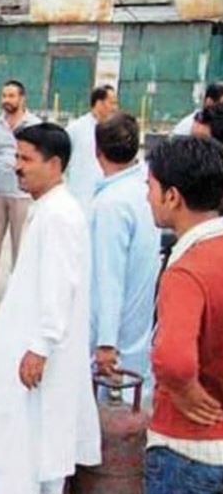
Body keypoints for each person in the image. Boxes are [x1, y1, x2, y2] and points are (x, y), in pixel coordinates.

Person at [0, 123, 100, 494]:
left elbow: (58, 287)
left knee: (16, 440)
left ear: (55, 164)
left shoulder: (57, 215)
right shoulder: (55, 208)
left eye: (26, 159)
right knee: (47, 432)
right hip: (47, 346)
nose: (16, 167)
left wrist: (40, 347)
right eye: (15, 157)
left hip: (37, 347)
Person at [143, 136, 223, 494]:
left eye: (151, 187)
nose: (148, 196)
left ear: (172, 196)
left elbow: (173, 359)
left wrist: (185, 389)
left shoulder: (188, 269)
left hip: (189, 446)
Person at [90, 113, 159, 387]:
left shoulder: (111, 204)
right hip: (136, 331)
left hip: (114, 345)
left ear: (97, 151)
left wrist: (106, 342)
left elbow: (109, 277)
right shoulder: (144, 191)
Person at [0, 80, 41, 300]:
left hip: (23, 195)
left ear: (22, 99)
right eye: (4, 96)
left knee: (21, 243)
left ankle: (20, 287)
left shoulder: (35, 125)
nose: (6, 100)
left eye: (11, 96)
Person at [65, 85, 119, 215]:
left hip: (106, 200)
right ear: (99, 103)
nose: (115, 108)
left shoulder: (115, 131)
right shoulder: (76, 129)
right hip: (79, 199)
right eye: (112, 103)